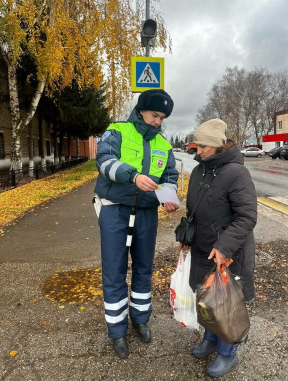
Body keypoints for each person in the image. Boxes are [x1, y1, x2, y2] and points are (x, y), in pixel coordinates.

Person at [94, 89, 179, 359]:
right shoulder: (117, 131)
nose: (158, 122)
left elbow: (169, 175)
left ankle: (140, 319)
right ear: (141, 110)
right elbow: (104, 162)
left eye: (163, 118)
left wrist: (168, 196)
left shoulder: (164, 145)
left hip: (145, 212)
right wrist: (133, 177)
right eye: (155, 115)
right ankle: (117, 331)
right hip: (114, 209)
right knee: (114, 270)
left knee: (144, 267)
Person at [179, 118, 257, 378]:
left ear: (217, 145)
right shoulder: (201, 169)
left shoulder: (236, 173)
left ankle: (228, 353)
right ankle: (211, 339)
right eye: (197, 145)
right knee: (208, 299)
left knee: (226, 304)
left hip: (228, 254)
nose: (198, 150)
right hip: (203, 249)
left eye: (203, 146)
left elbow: (247, 216)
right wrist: (187, 235)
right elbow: (196, 209)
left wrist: (224, 246)